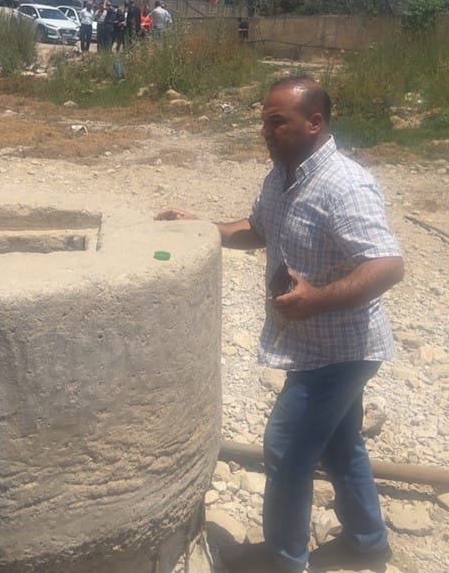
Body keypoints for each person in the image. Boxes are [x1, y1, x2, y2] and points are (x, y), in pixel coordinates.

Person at [156, 76, 404, 573]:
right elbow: (257, 229)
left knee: (286, 446)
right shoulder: (284, 174)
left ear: (314, 123)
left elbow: (386, 265)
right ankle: (368, 542)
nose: (266, 132)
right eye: (263, 122)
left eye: (277, 122)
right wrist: (201, 226)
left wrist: (316, 300)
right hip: (310, 343)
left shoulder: (344, 184)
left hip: (342, 348)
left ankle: (285, 560)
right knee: (339, 444)